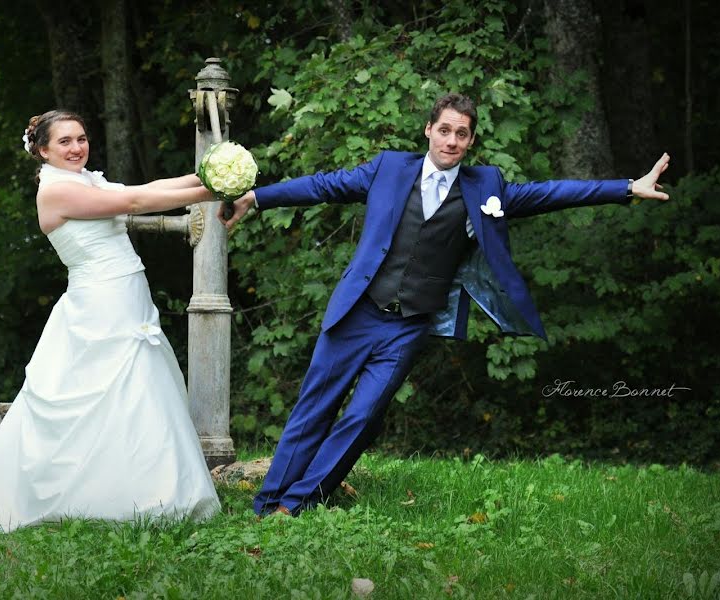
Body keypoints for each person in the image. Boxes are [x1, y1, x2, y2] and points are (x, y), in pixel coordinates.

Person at [219, 93, 670, 517]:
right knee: (314, 406)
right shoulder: (389, 169)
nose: (452, 140)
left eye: (462, 134)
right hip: (357, 311)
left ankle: (294, 505)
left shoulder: (485, 186)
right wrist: (255, 198)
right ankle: (268, 501)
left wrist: (628, 188)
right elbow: (322, 186)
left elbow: (551, 193)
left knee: (362, 416)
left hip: (408, 327)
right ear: (429, 130)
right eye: (445, 130)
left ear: (471, 140)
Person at [0, 110, 220, 532]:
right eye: (64, 142)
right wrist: (210, 191)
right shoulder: (54, 192)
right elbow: (133, 203)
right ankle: (90, 496)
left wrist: (209, 177)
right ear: (42, 151)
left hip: (128, 294)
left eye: (81, 138)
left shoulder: (85, 179)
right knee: (99, 393)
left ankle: (154, 494)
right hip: (101, 302)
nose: (77, 148)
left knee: (139, 392)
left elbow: (145, 188)